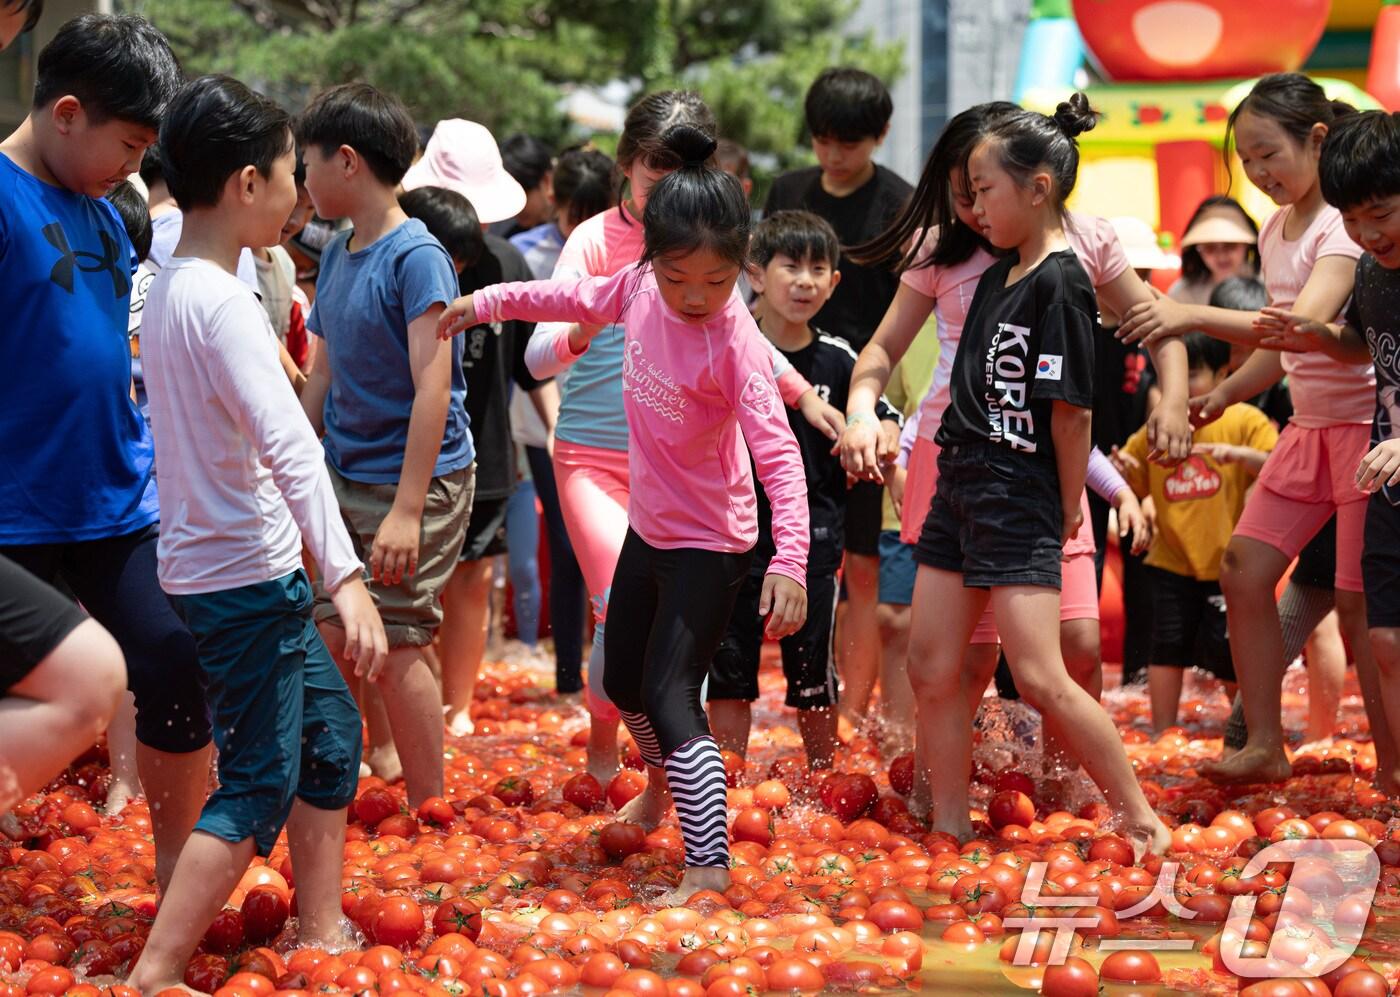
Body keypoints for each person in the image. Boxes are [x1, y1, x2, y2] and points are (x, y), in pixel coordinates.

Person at [441, 124, 811, 902]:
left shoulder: (734, 343)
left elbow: (779, 455)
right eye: (680, 279)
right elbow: (564, 297)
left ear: (739, 268)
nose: (696, 297)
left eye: (716, 281)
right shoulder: (635, 288)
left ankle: (707, 863)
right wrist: (484, 304)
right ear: (650, 260)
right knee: (622, 680)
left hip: (713, 544)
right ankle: (664, 793)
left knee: (673, 694)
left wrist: (790, 562)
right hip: (651, 528)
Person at [839, 101, 1188, 793]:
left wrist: (1173, 399)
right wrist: (859, 413)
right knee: (960, 659)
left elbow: (1155, 327)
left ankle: (1064, 787)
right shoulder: (939, 249)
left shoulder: (1081, 244)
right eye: (960, 193)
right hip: (952, 460)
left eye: (982, 189)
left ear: (1030, 185)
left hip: (1043, 467)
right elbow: (881, 349)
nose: (972, 209)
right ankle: (944, 792)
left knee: (1074, 647)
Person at [125, 75, 387, 992]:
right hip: (242, 578)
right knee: (257, 780)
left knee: (330, 731)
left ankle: (320, 926)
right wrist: (346, 578)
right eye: (288, 175)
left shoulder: (174, 281)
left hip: (228, 565)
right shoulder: (224, 302)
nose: (298, 196)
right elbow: (291, 446)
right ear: (245, 183)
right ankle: (156, 971)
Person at [518, 90, 828, 796]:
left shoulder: (708, 239)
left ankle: (663, 787)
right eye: (654, 168)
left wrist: (802, 394)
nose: (667, 185)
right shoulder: (596, 242)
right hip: (594, 460)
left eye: (685, 169)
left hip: (686, 484)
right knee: (617, 610)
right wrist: (586, 323)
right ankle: (607, 751)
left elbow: (745, 348)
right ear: (626, 164)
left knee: (672, 648)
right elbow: (535, 356)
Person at [0, 12, 214, 890]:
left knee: (175, 662)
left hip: (111, 500)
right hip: (12, 506)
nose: (134, 168)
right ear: (66, 114)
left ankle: (178, 880)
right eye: (128, 145)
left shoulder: (108, 218)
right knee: (53, 688)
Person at [1119, 73, 1381, 788]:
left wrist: (1190, 314)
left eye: (1269, 154)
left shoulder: (1340, 223)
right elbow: (1278, 347)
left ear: (1317, 139)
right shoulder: (1275, 225)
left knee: (1359, 605)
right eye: (1247, 160)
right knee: (1244, 567)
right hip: (1307, 428)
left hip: (1365, 428)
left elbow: (1303, 324)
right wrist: (1226, 394)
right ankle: (1264, 740)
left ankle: (1390, 766)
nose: (1259, 173)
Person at [298, 83, 474, 806]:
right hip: (346, 473)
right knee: (334, 632)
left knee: (398, 640)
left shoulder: (417, 255)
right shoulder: (338, 252)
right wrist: (292, 463)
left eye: (307, 162)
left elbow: (434, 386)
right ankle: (339, 792)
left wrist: (407, 510)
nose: (302, 178)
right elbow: (322, 372)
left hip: (418, 481)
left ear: (346, 161)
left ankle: (430, 809)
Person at [708, 210, 901, 768]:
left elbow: (884, 416)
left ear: (834, 282)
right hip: (731, 534)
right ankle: (724, 785)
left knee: (813, 671)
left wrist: (880, 435)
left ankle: (822, 778)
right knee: (729, 670)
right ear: (755, 273)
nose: (805, 281)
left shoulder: (840, 359)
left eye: (818, 270)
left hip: (814, 538)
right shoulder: (725, 342)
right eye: (790, 266)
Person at [765, 68, 913, 729]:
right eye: (822, 140)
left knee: (862, 557)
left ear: (880, 135)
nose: (833, 155)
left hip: (862, 391)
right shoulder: (789, 191)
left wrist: (878, 411)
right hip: (786, 376)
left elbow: (904, 318)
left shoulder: (898, 205)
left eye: (848, 144)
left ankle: (851, 704)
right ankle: (815, 688)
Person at [1259, 108, 1400, 793]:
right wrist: (1319, 336)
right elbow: (1363, 347)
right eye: (1353, 219)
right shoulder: (1372, 273)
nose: (1368, 234)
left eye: (1383, 215)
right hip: (1386, 479)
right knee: (1384, 638)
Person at [397, 183, 551, 736]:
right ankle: (414, 703)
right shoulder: (399, 257)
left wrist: (555, 431)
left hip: (482, 450)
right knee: (402, 586)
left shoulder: (507, 263)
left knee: (473, 578)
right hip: (396, 456)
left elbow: (530, 366)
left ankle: (456, 706)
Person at [1114, 332, 1278, 733]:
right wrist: (1123, 471)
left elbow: (1276, 465)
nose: (1179, 387)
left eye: (1192, 375)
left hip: (1224, 565)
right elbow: (1134, 475)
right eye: (1170, 376)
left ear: (1224, 374)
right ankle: (1162, 731)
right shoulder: (1157, 427)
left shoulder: (1244, 421)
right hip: (1171, 560)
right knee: (1165, 648)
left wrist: (1240, 456)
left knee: (1228, 653)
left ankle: (1245, 729)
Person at [510, 148, 616, 694]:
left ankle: (608, 667)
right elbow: (525, 351)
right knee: (567, 545)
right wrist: (551, 419)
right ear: (555, 197)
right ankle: (570, 676)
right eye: (577, 213)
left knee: (608, 548)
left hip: (609, 421)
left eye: (595, 212)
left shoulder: (622, 246)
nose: (583, 225)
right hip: (543, 420)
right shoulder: (529, 254)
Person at [1167, 196, 1260, 306]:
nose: (1221, 256)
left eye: (1230, 245)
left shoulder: (1268, 284)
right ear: (1197, 249)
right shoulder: (1182, 293)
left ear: (1247, 245)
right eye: (1210, 247)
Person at [499, 133, 555, 238]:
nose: (516, 207)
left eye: (522, 195)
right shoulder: (503, 235)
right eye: (507, 198)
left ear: (546, 181)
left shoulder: (573, 234)